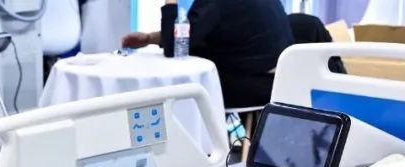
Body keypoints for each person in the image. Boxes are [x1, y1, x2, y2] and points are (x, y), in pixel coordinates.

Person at [121, 0, 293, 108]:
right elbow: (193, 32)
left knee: (178, 88)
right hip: (279, 80)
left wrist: (170, 3)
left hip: (253, 86)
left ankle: (191, 148)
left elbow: (174, 48)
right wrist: (150, 38)